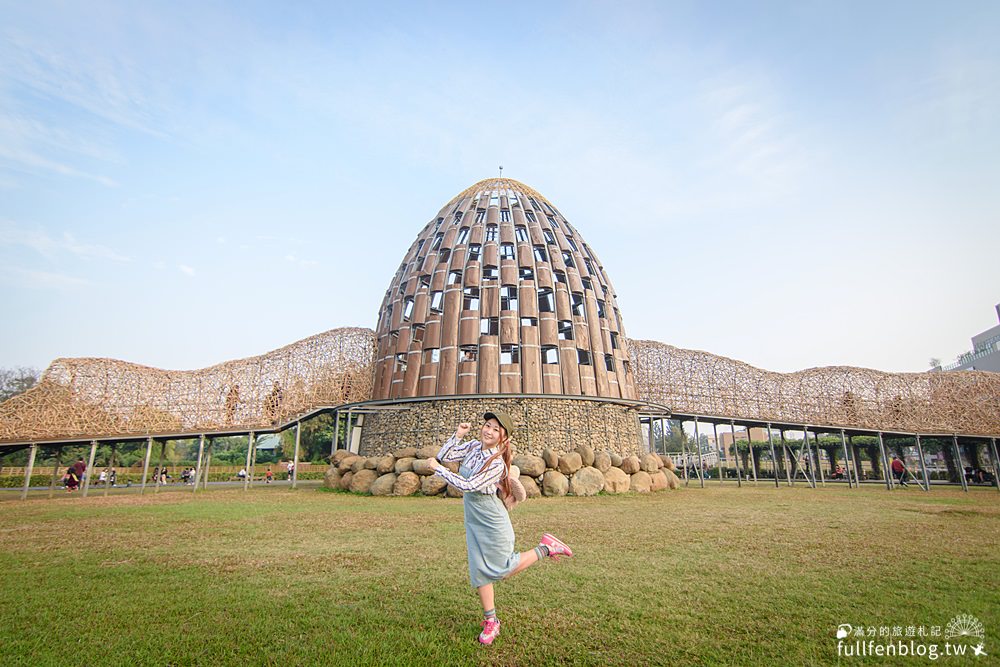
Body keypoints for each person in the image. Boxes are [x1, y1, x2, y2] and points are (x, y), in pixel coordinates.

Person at [424, 411, 573, 646]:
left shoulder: (497, 464)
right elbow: (444, 455)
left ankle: (545, 548)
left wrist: (439, 470)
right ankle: (491, 620)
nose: (488, 431)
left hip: (492, 518)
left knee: (501, 568)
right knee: (479, 568)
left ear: (503, 437)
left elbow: (470, 485)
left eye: (495, 429)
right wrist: (458, 435)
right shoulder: (474, 447)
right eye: (487, 425)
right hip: (473, 516)